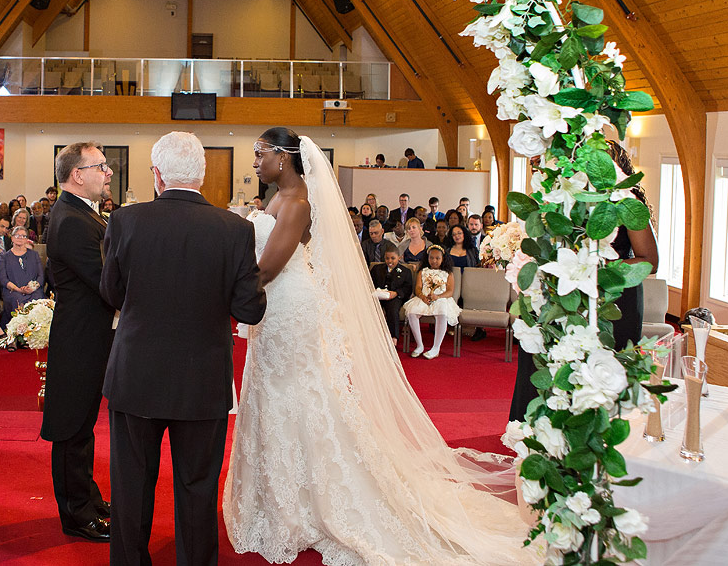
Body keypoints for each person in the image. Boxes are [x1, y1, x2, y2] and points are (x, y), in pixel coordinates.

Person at [224, 129, 531, 565]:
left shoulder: (296, 204)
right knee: (274, 397)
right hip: (272, 313)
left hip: (290, 308)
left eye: (261, 154)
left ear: (285, 157)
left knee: (299, 398)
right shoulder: (274, 198)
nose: (255, 162)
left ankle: (309, 503)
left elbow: (267, 269)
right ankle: (278, 498)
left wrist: (220, 295)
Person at [101, 132, 266, 566]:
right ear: (203, 174)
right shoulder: (236, 229)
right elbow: (249, 309)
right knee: (197, 484)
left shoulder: (124, 221)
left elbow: (111, 293)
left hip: (137, 371)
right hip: (202, 376)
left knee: (131, 482)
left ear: (156, 175)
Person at [508, 142, 659, 423]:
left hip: (616, 298)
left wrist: (593, 268)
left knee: (606, 371)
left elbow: (650, 260)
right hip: (572, 296)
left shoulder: (627, 201)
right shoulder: (570, 201)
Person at [41, 142, 116, 542]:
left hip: (88, 333)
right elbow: (106, 281)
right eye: (100, 166)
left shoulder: (82, 213)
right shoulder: (71, 219)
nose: (108, 173)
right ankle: (75, 513)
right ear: (76, 175)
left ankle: (86, 495)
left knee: (83, 425)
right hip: (79, 337)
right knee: (71, 427)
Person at [404, 243, 460, 359]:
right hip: (424, 298)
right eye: (431, 258)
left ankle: (436, 347)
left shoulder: (448, 273)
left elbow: (450, 291)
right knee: (412, 312)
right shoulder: (422, 272)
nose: (434, 261)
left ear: (443, 259)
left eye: (437, 258)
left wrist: (438, 297)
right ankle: (419, 345)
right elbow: (418, 288)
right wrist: (422, 296)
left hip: (441, 298)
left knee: (442, 313)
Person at [0, 226, 45, 347]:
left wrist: (33, 287)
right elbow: (4, 279)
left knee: (38, 298)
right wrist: (19, 289)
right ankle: (15, 337)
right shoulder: (4, 256)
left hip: (33, 290)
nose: (20, 238)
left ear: (26, 239)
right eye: (17, 235)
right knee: (17, 299)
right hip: (12, 290)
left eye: (23, 236)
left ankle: (30, 337)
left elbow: (41, 276)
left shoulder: (34, 255)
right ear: (12, 238)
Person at [371, 247, 414, 341]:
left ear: (399, 257)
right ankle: (372, 336)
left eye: (393, 258)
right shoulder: (376, 269)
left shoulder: (406, 272)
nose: (389, 261)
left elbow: (408, 288)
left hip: (395, 297)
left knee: (393, 309)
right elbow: (369, 283)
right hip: (378, 296)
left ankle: (393, 337)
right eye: (387, 258)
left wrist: (396, 293)